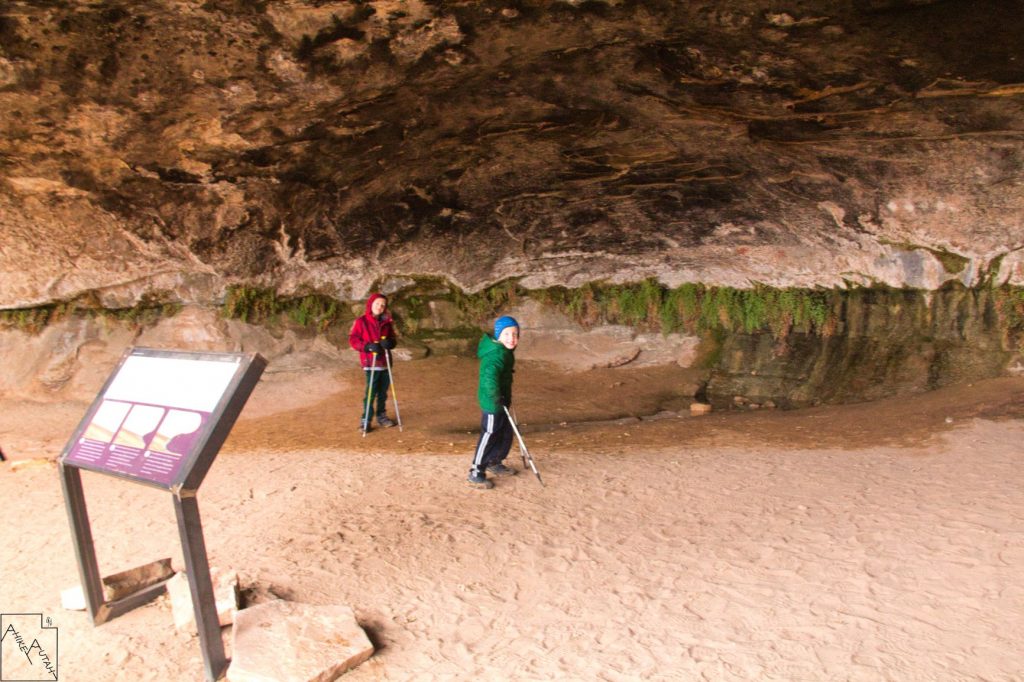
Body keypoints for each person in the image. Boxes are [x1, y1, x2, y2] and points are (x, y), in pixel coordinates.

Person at [468, 315, 520, 489]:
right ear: (499, 335)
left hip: (502, 400)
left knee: (505, 432)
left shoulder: (505, 352)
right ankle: (476, 472)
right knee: (490, 434)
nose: (511, 338)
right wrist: (496, 395)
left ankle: (494, 461)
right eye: (507, 334)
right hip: (493, 403)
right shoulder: (495, 355)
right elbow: (488, 379)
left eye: (515, 334)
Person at [349, 292, 398, 432]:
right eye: (377, 304)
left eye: (383, 305)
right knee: (371, 393)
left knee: (383, 392)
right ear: (370, 304)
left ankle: (381, 416)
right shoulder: (361, 321)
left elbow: (392, 339)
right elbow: (353, 340)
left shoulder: (387, 322)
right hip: (370, 362)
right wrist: (367, 346)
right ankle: (366, 419)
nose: (380, 307)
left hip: (385, 362)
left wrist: (390, 343)